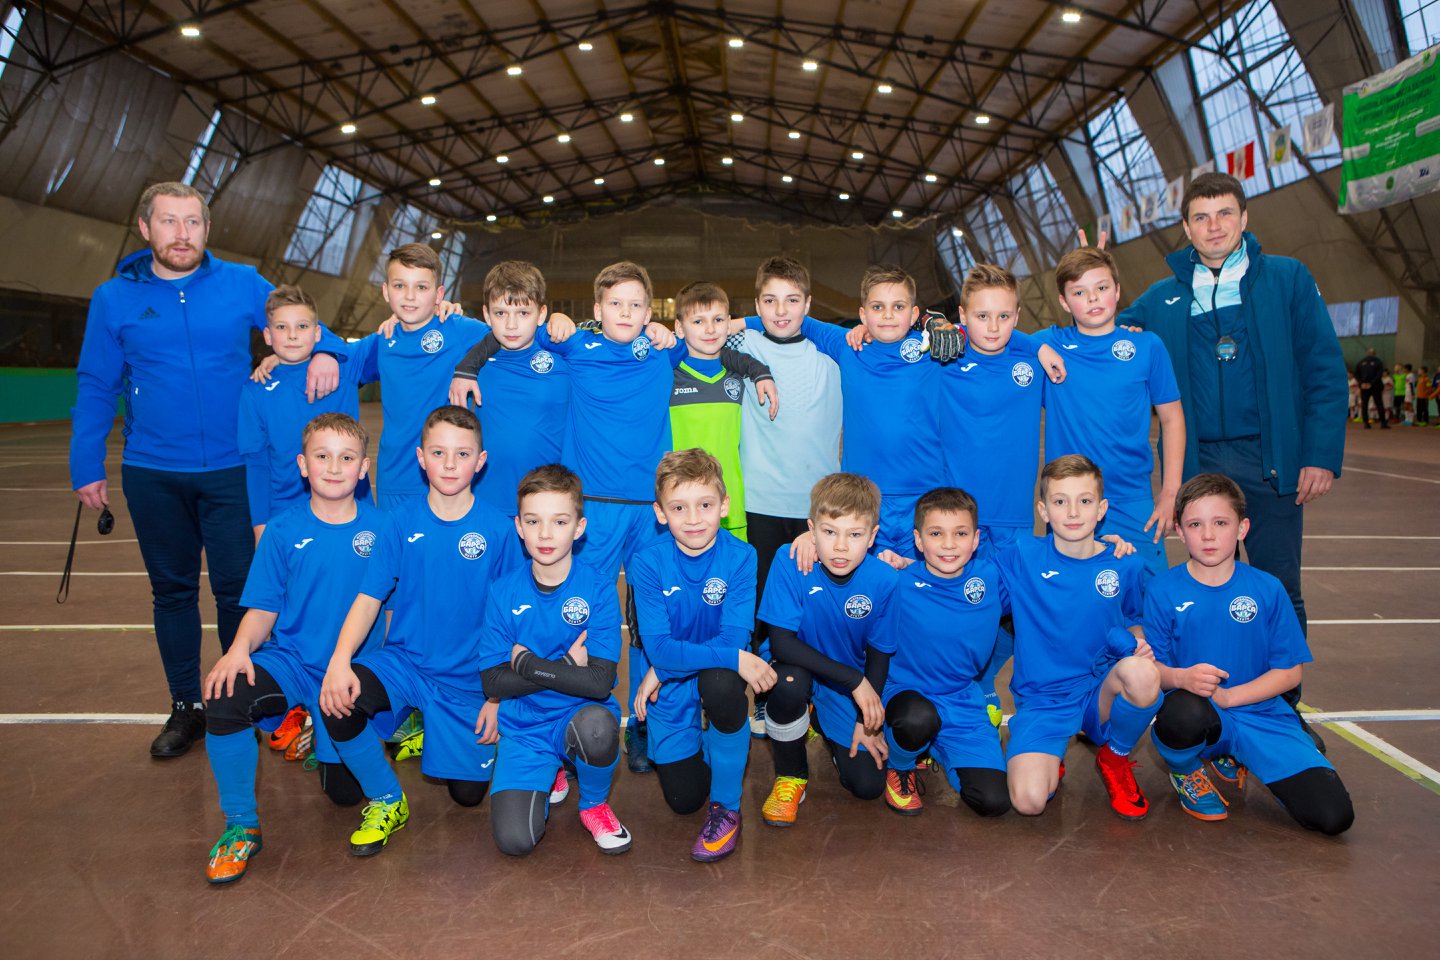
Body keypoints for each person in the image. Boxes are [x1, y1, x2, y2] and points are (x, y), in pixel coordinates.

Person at [70, 181, 345, 759]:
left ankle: (240, 704)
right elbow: (96, 383)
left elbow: (305, 322)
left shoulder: (242, 283)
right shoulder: (113, 298)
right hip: (152, 472)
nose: (181, 234)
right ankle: (185, 707)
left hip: (230, 471)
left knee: (238, 593)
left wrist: (326, 351)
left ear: (207, 228)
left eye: (192, 222)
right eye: (168, 221)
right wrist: (85, 461)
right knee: (172, 592)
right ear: (145, 228)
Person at [1115, 172, 1347, 748]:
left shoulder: (1287, 279)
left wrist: (1318, 454)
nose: (1213, 226)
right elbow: (1099, 327)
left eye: (1224, 214)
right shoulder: (1163, 297)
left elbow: (1324, 368)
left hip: (1272, 462)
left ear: (1244, 219)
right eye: (1201, 216)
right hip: (1200, 468)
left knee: (1280, 588)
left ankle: (1281, 710)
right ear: (1186, 227)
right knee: (1206, 588)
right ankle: (1212, 710)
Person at [318, 406, 518, 856]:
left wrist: (497, 697)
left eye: (462, 453)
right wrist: (339, 661)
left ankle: (431, 728)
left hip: (469, 679)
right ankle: (388, 799)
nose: (450, 464)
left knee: (468, 796)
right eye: (438, 452)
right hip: (405, 664)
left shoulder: (499, 530)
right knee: (339, 699)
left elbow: (512, 622)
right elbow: (369, 597)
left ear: (480, 460)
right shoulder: (399, 521)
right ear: (421, 457)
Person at [199, 413, 383, 883]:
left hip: (352, 669)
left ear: (364, 467)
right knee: (225, 692)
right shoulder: (282, 531)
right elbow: (263, 608)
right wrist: (238, 649)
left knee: (343, 795)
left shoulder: (385, 530)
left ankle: (321, 732)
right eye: (322, 456)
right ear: (303, 465)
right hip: (294, 662)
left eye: (347, 458)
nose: (334, 468)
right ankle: (241, 825)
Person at [1146, 474, 1354, 834]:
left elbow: (1289, 673)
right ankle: (1185, 770)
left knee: (1333, 817)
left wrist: (1230, 697)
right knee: (1181, 713)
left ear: (1242, 528)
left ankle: (1236, 754)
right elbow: (1154, 671)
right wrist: (1181, 677)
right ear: (1179, 531)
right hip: (1200, 711)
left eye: (1220, 523)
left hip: (1262, 715)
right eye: (1195, 524)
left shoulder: (1267, 589)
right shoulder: (1162, 589)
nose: (1208, 535)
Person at [477, 464, 633, 856]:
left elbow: (599, 682)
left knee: (597, 728)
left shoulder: (597, 588)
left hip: (577, 714)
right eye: (534, 521)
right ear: (519, 526)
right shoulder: (503, 591)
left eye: (559, 521)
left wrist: (527, 664)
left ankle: (594, 804)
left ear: (579, 528)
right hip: (525, 727)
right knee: (515, 842)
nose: (545, 534)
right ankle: (552, 770)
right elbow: (492, 682)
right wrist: (565, 663)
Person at [629, 449, 776, 861]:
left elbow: (734, 637)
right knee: (684, 800)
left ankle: (727, 807)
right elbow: (660, 649)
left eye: (705, 505)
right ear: (660, 513)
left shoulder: (742, 556)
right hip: (670, 685)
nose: (693, 519)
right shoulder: (647, 562)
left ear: (724, 506)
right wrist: (664, 668)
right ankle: (719, 747)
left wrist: (665, 667)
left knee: (723, 684)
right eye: (679, 507)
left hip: (703, 675)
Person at [997, 455, 1161, 820]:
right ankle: (1048, 753)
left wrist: (1138, 642)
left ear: (1101, 509)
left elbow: (1133, 618)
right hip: (1044, 699)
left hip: (1097, 691)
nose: (1073, 512)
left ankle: (1114, 758)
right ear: (1043, 510)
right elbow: (961, 571)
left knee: (1143, 675)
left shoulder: (1124, 562)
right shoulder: (1022, 557)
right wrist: (907, 565)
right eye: (1060, 501)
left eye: (1085, 501)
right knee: (1028, 802)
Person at [731, 256, 843, 736]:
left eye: (792, 300)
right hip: (757, 502)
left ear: (809, 305)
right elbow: (692, 337)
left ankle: (814, 699)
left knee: (810, 612)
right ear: (757, 305)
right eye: (770, 301)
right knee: (760, 609)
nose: (781, 311)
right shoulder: (742, 345)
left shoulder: (832, 354)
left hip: (815, 512)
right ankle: (762, 697)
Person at [756, 473, 901, 824]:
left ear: (872, 537)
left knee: (867, 785)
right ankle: (791, 776)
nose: (840, 547)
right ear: (811, 530)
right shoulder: (791, 560)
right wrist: (855, 681)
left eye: (855, 535)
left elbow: (880, 653)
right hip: (796, 665)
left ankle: (820, 720)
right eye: (829, 532)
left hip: (841, 683)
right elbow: (782, 644)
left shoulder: (884, 579)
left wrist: (864, 722)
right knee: (789, 683)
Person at [1036, 247, 1185, 580]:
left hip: (1132, 498)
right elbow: (999, 335)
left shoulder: (1147, 346)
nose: (1092, 298)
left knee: (1148, 593)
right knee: (1075, 595)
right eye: (1079, 292)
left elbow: (1172, 419)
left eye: (1101, 288)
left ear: (1117, 291)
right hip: (1069, 502)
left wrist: (1170, 491)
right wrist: (1037, 347)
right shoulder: (1050, 344)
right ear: (1063, 302)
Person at [945, 263, 1047, 719]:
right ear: (962, 315)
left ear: (1017, 316)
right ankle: (963, 692)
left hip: (1014, 519)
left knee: (1014, 613)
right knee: (962, 611)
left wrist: (1037, 345)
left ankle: (984, 682)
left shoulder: (1031, 364)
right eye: (982, 316)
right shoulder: (942, 360)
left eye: (1004, 316)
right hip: (957, 521)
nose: (993, 327)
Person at [877, 487, 1011, 818]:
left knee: (993, 802)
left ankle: (932, 745)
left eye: (960, 533)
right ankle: (902, 765)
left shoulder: (990, 576)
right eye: (936, 533)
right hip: (905, 694)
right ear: (918, 540)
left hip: (961, 700)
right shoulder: (895, 582)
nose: (949, 544)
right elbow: (841, 570)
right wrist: (808, 541)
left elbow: (1056, 564)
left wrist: (1109, 547)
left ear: (976, 539)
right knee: (917, 719)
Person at [346, 243, 491, 509]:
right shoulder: (382, 340)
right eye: (399, 285)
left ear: (439, 294)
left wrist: (558, 323)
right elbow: (334, 356)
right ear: (386, 291)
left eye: (421, 287)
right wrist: (286, 358)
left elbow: (515, 333)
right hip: (394, 480)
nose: (410, 296)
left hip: (449, 478)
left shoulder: (457, 329)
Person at [239, 284, 372, 541]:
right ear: (267, 335)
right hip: (286, 514)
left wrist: (441, 311)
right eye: (281, 327)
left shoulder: (345, 368)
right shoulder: (255, 390)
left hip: (352, 512)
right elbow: (256, 463)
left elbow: (399, 333)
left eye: (302, 326)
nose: (292, 335)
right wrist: (260, 527)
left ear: (317, 332)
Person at [448, 260, 572, 520]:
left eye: (523, 313)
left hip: (547, 501)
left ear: (541, 314)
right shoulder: (475, 359)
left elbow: (609, 337)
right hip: (486, 500)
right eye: (501, 313)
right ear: (486, 314)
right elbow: (421, 319)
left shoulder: (564, 356)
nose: (511, 325)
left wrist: (653, 330)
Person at [666, 280, 779, 543]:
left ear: (729, 324)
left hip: (730, 505)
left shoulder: (739, 374)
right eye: (698, 321)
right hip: (680, 506)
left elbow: (776, 322)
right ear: (679, 328)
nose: (709, 329)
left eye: (718, 320)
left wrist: (761, 372)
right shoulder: (667, 376)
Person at [1353, 348, 1387, 429]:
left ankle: (1366, 423)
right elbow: (1379, 374)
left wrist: (1361, 383)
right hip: (1375, 386)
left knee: (1364, 405)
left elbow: (1356, 374)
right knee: (1379, 404)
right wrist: (1371, 383)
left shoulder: (1360, 362)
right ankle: (1383, 423)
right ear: (1374, 353)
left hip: (1364, 387)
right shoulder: (1378, 362)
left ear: (1367, 353)